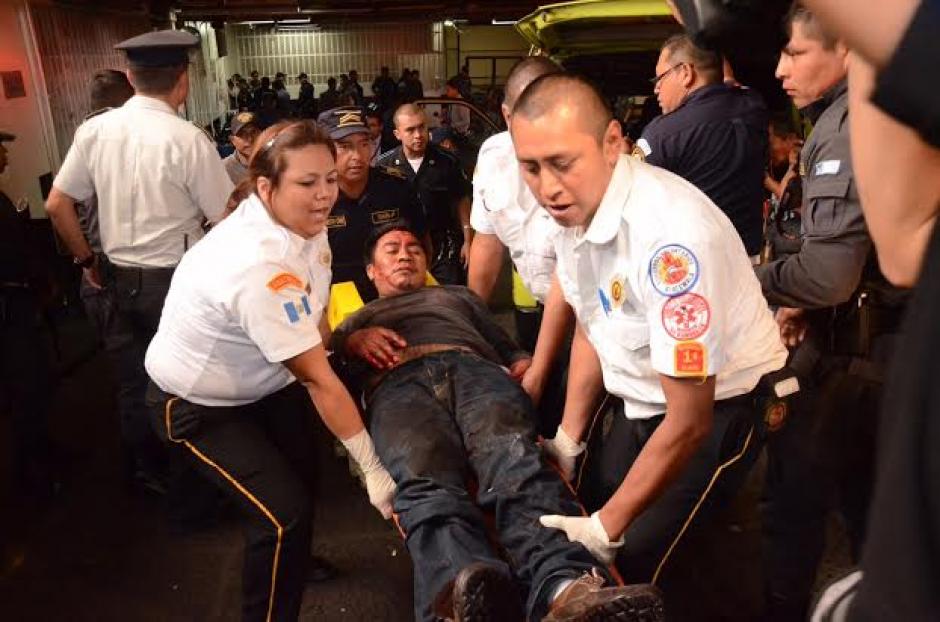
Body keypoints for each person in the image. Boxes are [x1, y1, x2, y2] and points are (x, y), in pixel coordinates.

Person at [509, 73, 789, 585]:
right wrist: (570, 439)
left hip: (718, 407)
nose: (547, 186)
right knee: (590, 506)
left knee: (634, 564)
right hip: (641, 399)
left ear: (613, 143)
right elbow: (594, 323)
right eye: (531, 167)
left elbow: (689, 421)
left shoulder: (671, 243)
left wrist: (606, 528)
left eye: (563, 164)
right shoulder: (575, 211)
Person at [331, 222, 664, 622]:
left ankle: (564, 586)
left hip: (475, 372)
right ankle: (460, 595)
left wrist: (525, 367)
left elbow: (508, 349)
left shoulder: (458, 298)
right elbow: (333, 382)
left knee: (515, 462)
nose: (406, 254)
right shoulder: (354, 322)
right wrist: (350, 343)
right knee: (424, 481)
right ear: (371, 271)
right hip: (398, 386)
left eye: (414, 247)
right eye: (392, 249)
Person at [144, 120, 396, 622]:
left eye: (328, 178)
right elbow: (316, 376)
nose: (325, 194)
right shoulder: (256, 264)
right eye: (307, 183)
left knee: (307, 478)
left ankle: (294, 563)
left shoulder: (303, 223)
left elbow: (315, 311)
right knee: (282, 516)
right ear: (266, 187)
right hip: (197, 405)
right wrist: (373, 467)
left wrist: (339, 337)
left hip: (264, 384)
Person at [754, 6, 908, 619]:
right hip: (876, 346)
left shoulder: (847, 126)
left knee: (792, 504)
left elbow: (830, 275)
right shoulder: (862, 112)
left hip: (856, 360)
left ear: (843, 47)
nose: (781, 70)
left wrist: (749, 281)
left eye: (794, 54)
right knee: (871, 506)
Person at [44, 29, 234, 500]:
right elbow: (224, 217)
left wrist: (87, 260)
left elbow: (57, 204)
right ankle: (193, 480)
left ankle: (146, 474)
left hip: (114, 277)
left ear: (130, 77)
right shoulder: (189, 140)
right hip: (175, 283)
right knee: (188, 378)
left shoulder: (93, 131)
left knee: (133, 382)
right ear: (182, 80)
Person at [467, 55, 569, 434]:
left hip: (591, 311)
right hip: (539, 303)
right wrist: (469, 323)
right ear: (506, 115)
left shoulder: (582, 163)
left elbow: (570, 277)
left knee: (577, 417)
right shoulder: (492, 158)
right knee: (539, 413)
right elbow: (487, 243)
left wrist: (541, 370)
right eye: (527, 112)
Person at [635, 34, 769, 259]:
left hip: (690, 270)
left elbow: (635, 210)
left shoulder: (661, 135)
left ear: (686, 73)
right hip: (750, 264)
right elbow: (729, 82)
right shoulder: (753, 106)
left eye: (661, 78)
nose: (656, 88)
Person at [0, 130, 59, 500]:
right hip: (7, 310)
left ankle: (43, 451)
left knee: (37, 383)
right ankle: (28, 474)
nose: (6, 157)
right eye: (0, 150)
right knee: (24, 388)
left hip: (20, 303)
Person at [317, 106, 427, 303]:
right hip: (333, 301)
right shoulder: (314, 197)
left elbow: (421, 243)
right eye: (345, 146)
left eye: (364, 144)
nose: (357, 156)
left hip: (393, 297)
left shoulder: (397, 187)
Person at [376, 103, 471, 285]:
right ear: (397, 134)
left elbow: (461, 199)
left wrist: (468, 240)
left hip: (445, 247)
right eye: (410, 130)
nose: (418, 135)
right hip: (402, 249)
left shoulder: (447, 161)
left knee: (446, 302)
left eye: (422, 127)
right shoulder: (384, 166)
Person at [76, 70, 135, 346]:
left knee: (123, 365)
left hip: (98, 271)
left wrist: (88, 261)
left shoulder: (82, 141)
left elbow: (59, 207)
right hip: (120, 273)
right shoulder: (119, 142)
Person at [223, 111, 261, 185]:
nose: (249, 139)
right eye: (242, 134)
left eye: (253, 132)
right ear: (232, 140)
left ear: (261, 133)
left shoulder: (273, 161)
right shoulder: (224, 169)